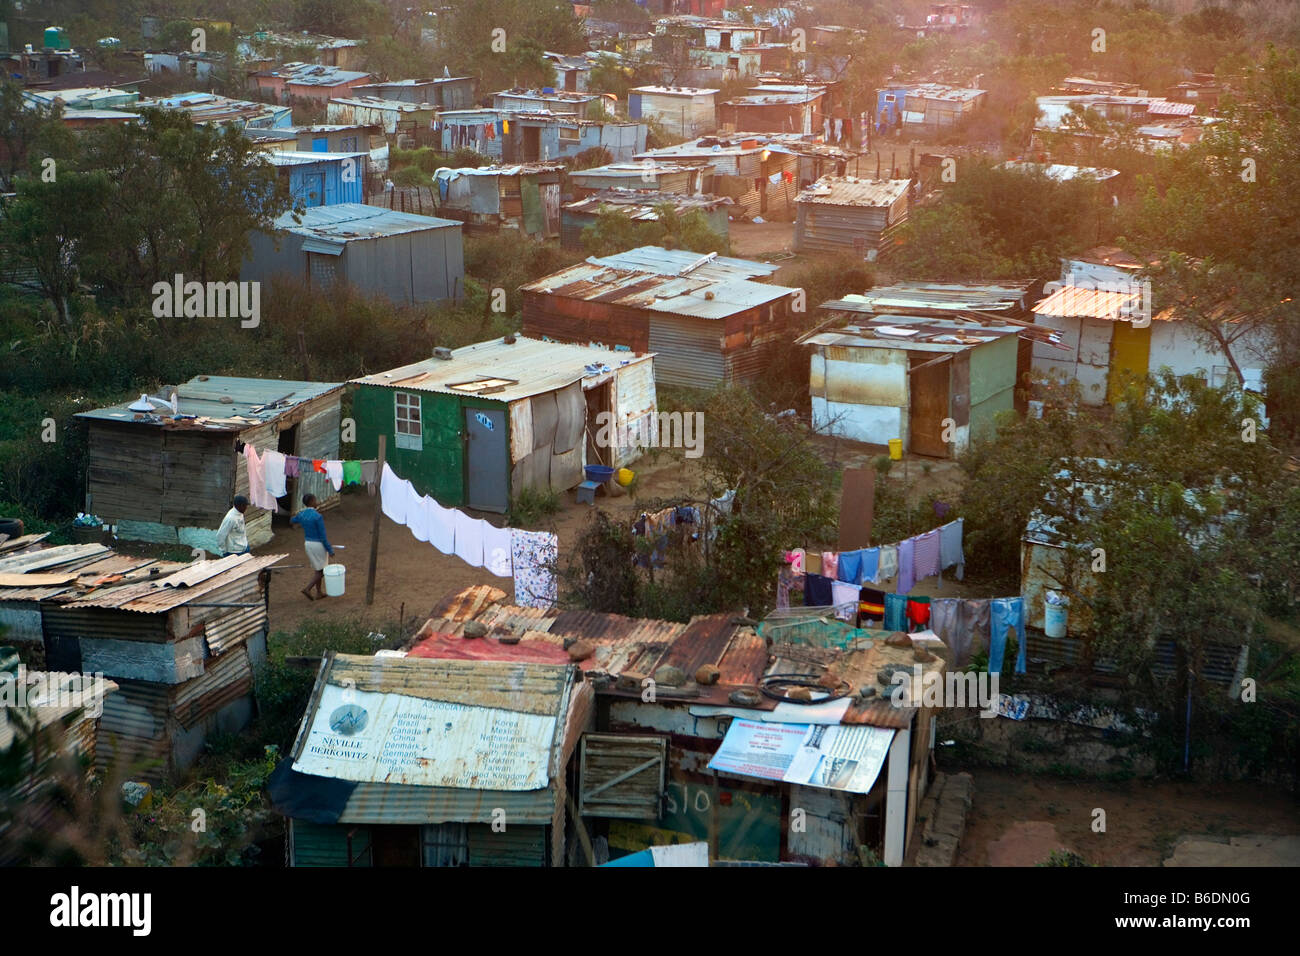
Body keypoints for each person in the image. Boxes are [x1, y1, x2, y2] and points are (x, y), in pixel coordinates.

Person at [291, 494, 335, 600]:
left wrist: (300, 517)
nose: (317, 502)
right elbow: (323, 536)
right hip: (318, 545)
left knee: (317, 569)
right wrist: (330, 549)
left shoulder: (302, 514)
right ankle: (308, 588)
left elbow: (292, 520)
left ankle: (319, 592)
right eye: (315, 500)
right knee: (323, 570)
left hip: (308, 544)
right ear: (311, 501)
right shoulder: (317, 516)